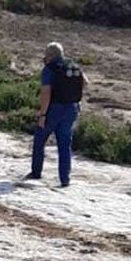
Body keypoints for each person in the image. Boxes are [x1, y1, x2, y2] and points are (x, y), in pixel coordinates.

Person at [30, 42, 85, 189]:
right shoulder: (73, 66)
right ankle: (64, 179)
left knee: (40, 139)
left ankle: (36, 172)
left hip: (54, 109)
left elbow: (46, 93)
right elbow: (84, 83)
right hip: (72, 109)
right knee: (64, 145)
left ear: (50, 55)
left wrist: (42, 114)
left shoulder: (49, 70)